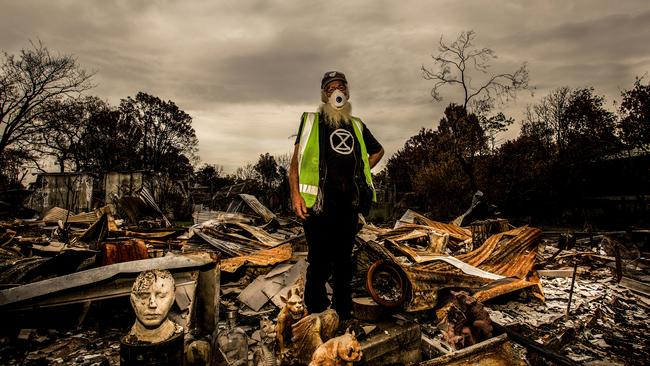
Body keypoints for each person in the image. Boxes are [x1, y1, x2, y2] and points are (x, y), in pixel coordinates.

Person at [289, 71, 384, 320]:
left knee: (343, 261)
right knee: (319, 261)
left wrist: (361, 172)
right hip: (318, 204)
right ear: (324, 94)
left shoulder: (356, 125)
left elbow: (377, 151)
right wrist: (295, 195)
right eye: (330, 88)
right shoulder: (312, 121)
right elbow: (294, 163)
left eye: (340, 86)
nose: (336, 91)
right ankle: (316, 313)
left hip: (348, 204)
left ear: (347, 92)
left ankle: (342, 312)